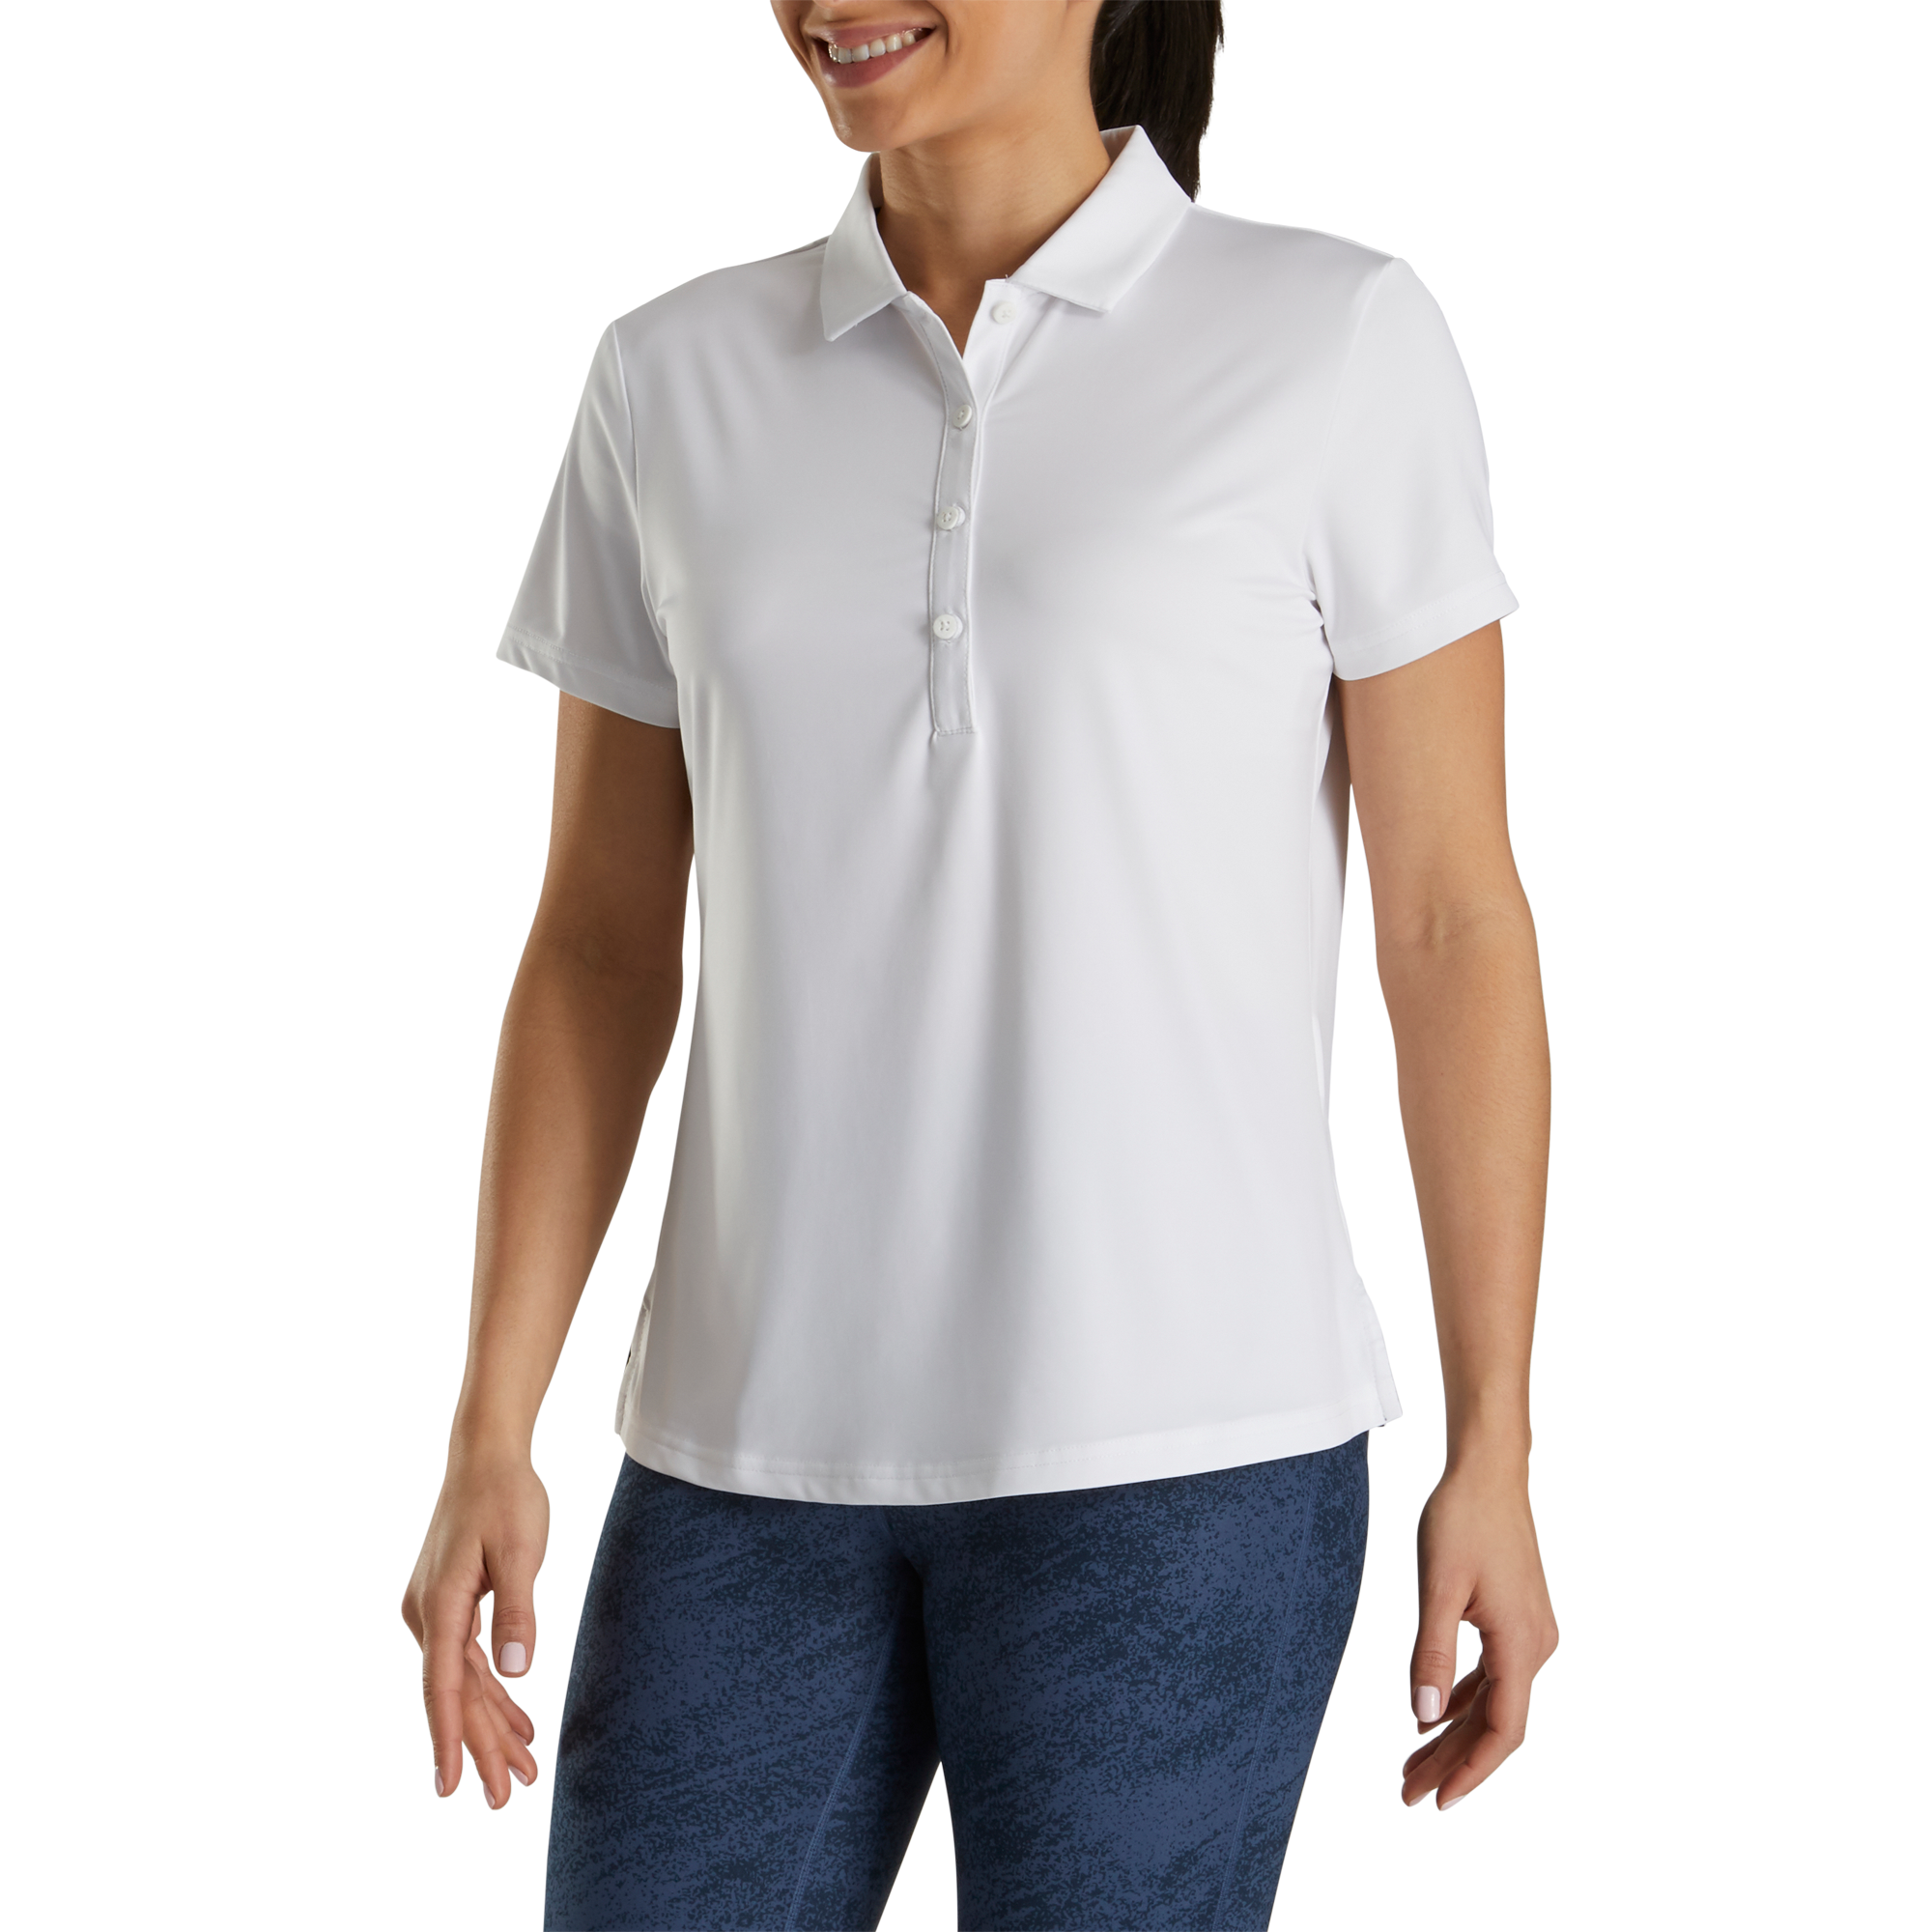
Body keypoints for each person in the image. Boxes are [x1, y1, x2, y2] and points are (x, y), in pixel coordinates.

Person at [403, 1, 1558, 1924]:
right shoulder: (674, 379)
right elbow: (598, 946)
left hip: (1188, 1461)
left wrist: (1493, 1438)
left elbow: (1450, 923)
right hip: (741, 1460)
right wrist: (487, 1427)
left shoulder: (1333, 340)